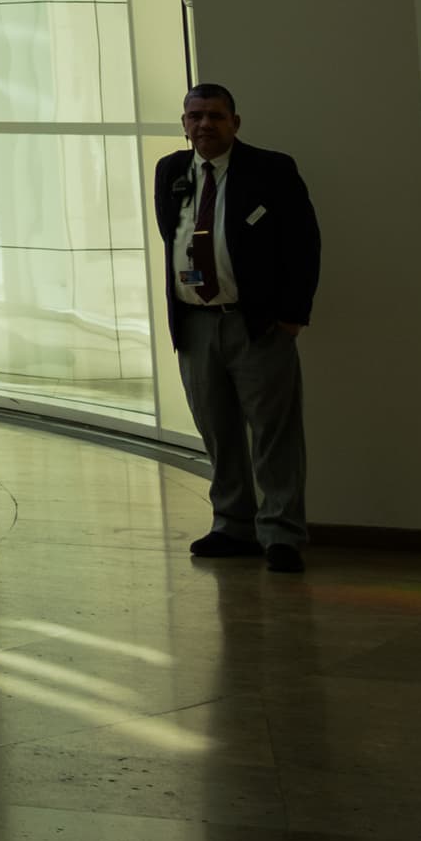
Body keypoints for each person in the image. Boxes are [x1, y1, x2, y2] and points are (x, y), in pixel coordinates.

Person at [156, 82, 321, 575]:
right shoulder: (170, 171)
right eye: (194, 116)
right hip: (196, 325)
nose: (204, 124)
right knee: (218, 432)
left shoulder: (272, 170)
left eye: (215, 116)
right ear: (184, 123)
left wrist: (292, 317)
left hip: (257, 326)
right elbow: (175, 237)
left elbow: (304, 244)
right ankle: (233, 526)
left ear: (235, 122)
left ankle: (282, 535)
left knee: (274, 435)